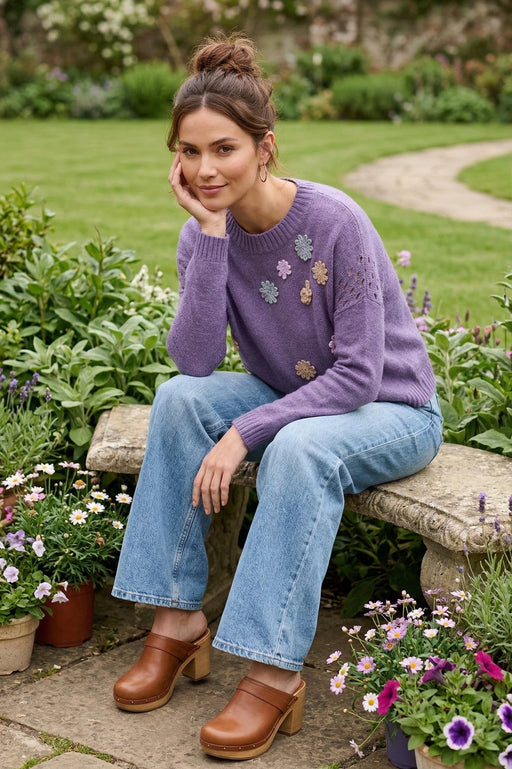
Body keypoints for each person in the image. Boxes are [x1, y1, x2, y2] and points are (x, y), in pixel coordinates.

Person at [111, 33, 443, 761]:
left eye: (224, 149)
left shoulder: (334, 222)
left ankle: (271, 668)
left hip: (391, 408)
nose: (205, 169)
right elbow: (196, 362)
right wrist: (209, 237)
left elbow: (357, 377)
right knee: (177, 400)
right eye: (189, 152)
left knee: (293, 443)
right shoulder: (205, 233)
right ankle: (175, 622)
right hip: (295, 392)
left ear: (265, 146)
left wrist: (245, 432)